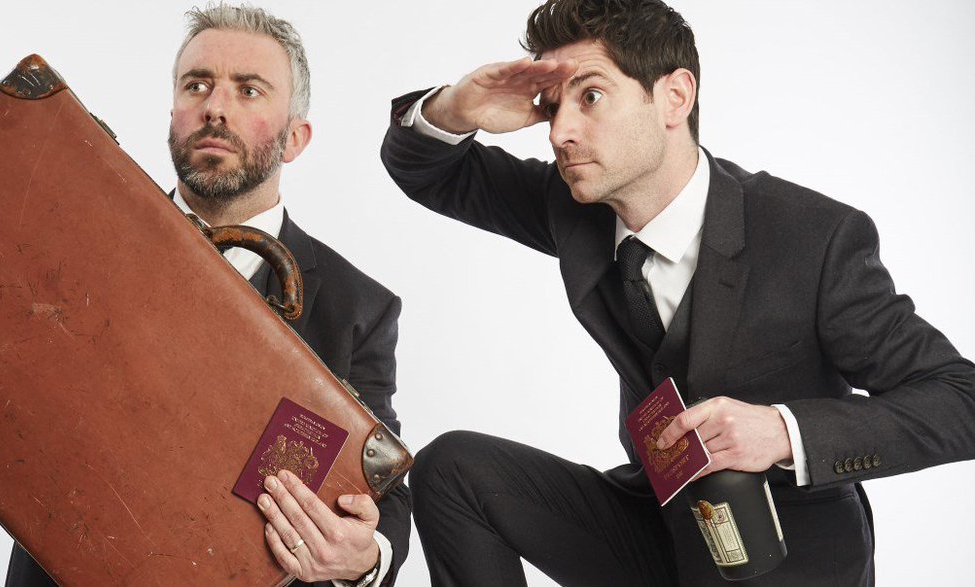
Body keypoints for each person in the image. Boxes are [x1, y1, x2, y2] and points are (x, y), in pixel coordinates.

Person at [380, 0, 975, 585]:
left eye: (591, 97)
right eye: (553, 106)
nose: (560, 132)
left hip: (784, 551)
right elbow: (428, 171)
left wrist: (782, 430)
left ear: (675, 96)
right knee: (454, 470)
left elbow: (960, 399)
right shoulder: (575, 208)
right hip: (657, 522)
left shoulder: (813, 237)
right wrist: (456, 108)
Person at [0, 4, 409, 586]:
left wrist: (362, 559)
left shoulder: (360, 308)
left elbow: (385, 496)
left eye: (249, 90)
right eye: (196, 85)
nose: (216, 107)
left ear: (295, 138)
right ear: (173, 115)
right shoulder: (69, 239)